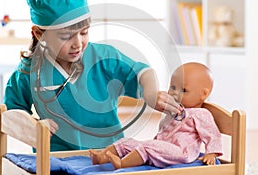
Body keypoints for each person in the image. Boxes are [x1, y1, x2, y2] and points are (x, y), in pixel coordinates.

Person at [3, 0, 181, 151]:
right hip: (56, 156)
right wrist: (33, 126)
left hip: (110, 153)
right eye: (66, 37)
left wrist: (150, 94)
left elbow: (142, 72)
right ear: (39, 34)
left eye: (84, 33)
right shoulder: (28, 73)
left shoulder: (104, 57)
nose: (78, 43)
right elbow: (12, 112)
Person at [89, 62, 223, 169]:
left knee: (147, 147)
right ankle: (102, 157)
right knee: (128, 142)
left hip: (181, 152)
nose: (175, 93)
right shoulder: (175, 109)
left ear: (203, 94)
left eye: (183, 90)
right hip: (163, 146)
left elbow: (212, 135)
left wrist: (211, 153)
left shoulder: (201, 114)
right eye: (173, 87)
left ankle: (122, 164)